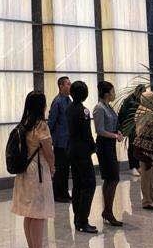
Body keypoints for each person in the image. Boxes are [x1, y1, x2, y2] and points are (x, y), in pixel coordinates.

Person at [11, 91, 57, 248]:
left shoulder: (24, 123)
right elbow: (48, 151)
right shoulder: (41, 125)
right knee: (38, 213)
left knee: (30, 213)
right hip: (37, 171)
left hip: (24, 171)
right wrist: (52, 166)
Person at [67, 80, 97, 233]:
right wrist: (93, 147)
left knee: (78, 184)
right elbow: (87, 133)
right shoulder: (83, 111)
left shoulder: (69, 108)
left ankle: (77, 218)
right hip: (82, 151)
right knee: (89, 184)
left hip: (71, 149)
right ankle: (83, 220)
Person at [93, 81, 124, 227]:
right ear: (106, 94)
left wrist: (117, 132)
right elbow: (99, 130)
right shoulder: (99, 108)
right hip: (104, 145)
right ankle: (108, 211)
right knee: (113, 178)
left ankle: (107, 211)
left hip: (110, 145)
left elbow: (112, 125)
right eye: (112, 91)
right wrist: (114, 135)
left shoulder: (108, 107)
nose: (114, 94)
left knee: (111, 179)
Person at [133, 88, 153, 210]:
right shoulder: (145, 112)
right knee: (146, 175)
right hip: (145, 148)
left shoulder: (148, 111)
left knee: (151, 175)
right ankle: (146, 200)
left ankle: (152, 198)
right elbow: (143, 130)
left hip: (150, 148)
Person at [47, 75, 72, 202]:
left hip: (68, 141)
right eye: (68, 84)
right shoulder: (57, 102)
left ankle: (65, 192)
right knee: (60, 169)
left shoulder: (69, 100)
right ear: (61, 86)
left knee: (66, 169)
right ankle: (57, 194)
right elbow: (51, 122)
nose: (70, 86)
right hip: (60, 141)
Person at [119, 83, 145, 176]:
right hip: (131, 126)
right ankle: (133, 167)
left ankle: (137, 166)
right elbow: (123, 114)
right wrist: (123, 128)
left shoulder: (139, 99)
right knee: (132, 146)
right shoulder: (129, 100)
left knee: (137, 146)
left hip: (138, 125)